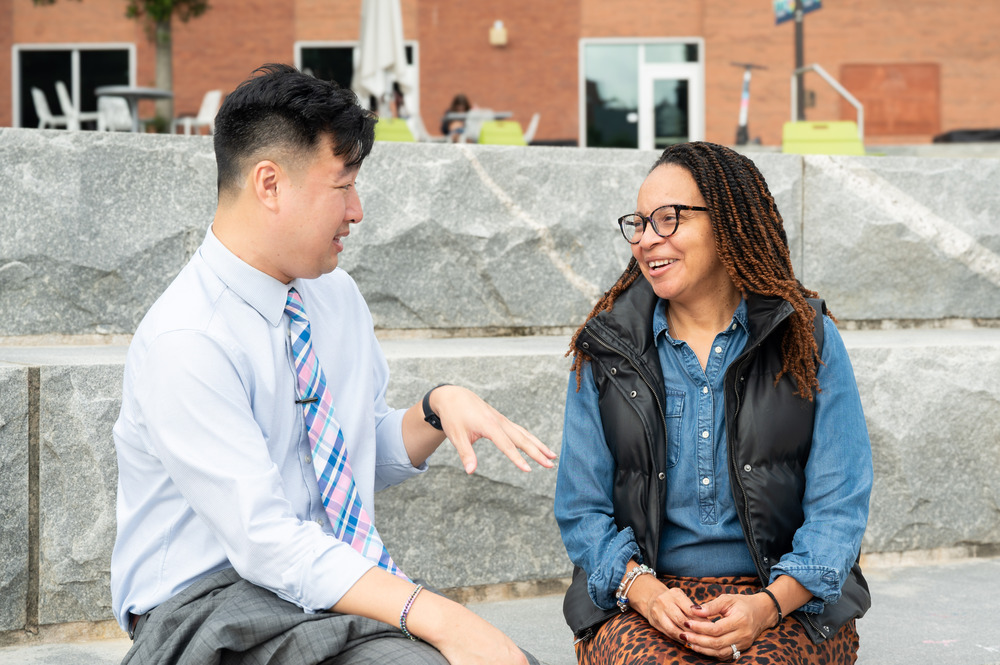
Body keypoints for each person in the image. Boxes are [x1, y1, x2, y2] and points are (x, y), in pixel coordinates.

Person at [110, 63, 556, 665]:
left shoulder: (333, 296)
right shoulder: (187, 339)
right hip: (208, 608)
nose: (358, 211)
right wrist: (441, 615)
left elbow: (347, 454)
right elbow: (265, 542)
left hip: (320, 585)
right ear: (269, 184)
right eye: (343, 186)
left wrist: (436, 408)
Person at [554, 141, 872, 664]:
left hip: (784, 597)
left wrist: (767, 607)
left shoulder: (807, 337)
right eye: (639, 223)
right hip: (646, 596)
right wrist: (647, 594)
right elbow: (580, 508)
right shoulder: (606, 348)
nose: (647, 240)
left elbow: (839, 508)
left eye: (669, 219)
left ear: (726, 222)